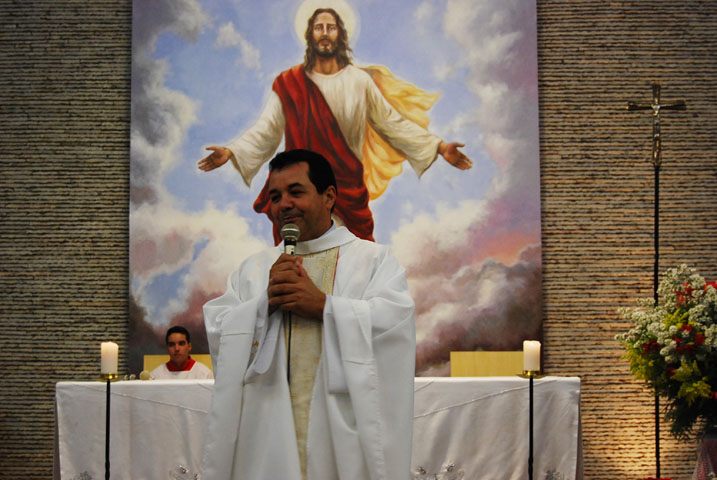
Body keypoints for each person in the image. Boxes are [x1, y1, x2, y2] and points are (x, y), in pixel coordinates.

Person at [202, 150, 416, 479]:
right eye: (275, 196)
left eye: (296, 192)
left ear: (328, 196)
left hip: (339, 432)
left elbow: (394, 322)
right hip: (267, 433)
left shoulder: (372, 260)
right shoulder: (254, 269)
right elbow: (220, 328)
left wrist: (325, 307)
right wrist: (263, 306)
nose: (283, 204)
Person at [198, 7, 472, 243]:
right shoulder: (289, 83)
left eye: (331, 28)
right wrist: (232, 151)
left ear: (340, 34)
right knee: (301, 259)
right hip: (300, 189)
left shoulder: (359, 81)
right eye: (319, 28)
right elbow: (266, 130)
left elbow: (392, 123)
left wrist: (438, 147)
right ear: (310, 35)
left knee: (351, 262)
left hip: (346, 189)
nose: (325, 33)